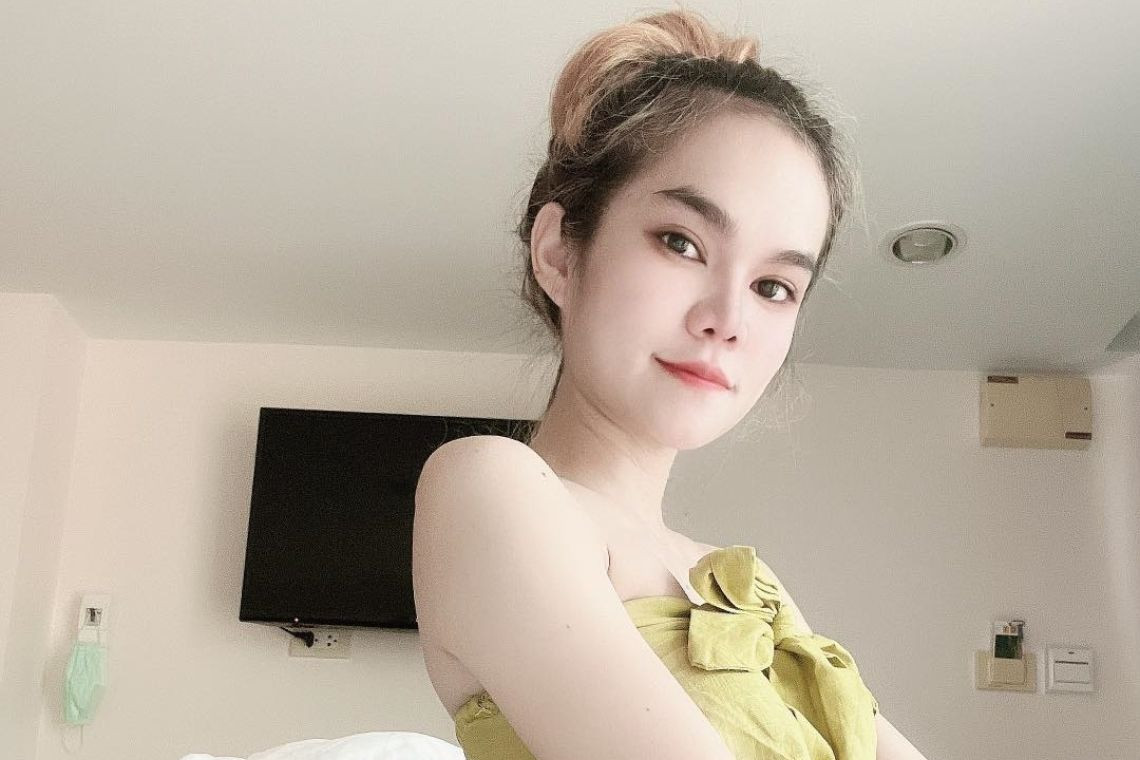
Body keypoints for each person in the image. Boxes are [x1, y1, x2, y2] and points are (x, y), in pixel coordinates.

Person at [413, 7, 928, 760]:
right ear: (560, 252)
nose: (728, 318)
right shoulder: (490, 486)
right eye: (682, 243)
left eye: (774, 287)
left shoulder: (748, 583)